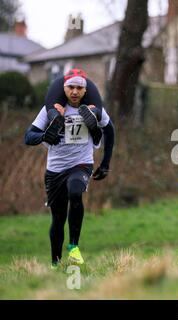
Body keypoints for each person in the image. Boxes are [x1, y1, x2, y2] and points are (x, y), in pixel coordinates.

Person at [24, 69, 115, 268]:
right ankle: (55, 262)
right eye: (70, 87)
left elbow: (110, 131)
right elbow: (28, 137)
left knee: (76, 192)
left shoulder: (92, 110)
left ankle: (74, 246)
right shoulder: (51, 110)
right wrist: (44, 136)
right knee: (58, 218)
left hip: (81, 163)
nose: (74, 91)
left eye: (79, 88)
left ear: (85, 90)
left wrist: (106, 163)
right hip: (55, 168)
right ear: (64, 88)